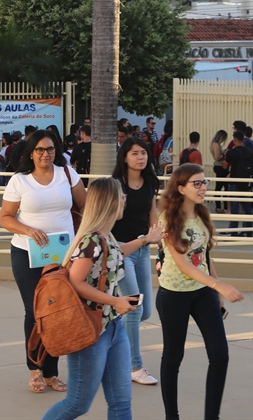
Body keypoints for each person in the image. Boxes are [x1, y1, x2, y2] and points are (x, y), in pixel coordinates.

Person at [40, 177, 162, 420]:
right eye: (121, 196)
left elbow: (115, 254)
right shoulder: (91, 240)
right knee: (77, 404)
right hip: (90, 331)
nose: (125, 200)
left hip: (113, 328)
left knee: (121, 403)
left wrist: (145, 240)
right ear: (109, 202)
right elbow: (76, 281)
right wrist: (115, 301)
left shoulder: (106, 238)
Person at [0, 129, 87, 394]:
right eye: (39, 150)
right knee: (34, 311)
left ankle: (51, 372)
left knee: (57, 310)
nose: (45, 154)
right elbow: (5, 218)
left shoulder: (67, 174)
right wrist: (28, 230)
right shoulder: (20, 181)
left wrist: (83, 238)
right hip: (27, 253)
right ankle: (34, 368)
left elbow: (85, 207)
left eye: (50, 149)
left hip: (62, 255)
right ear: (31, 153)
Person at [158, 164, 244, 420]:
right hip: (174, 294)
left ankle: (211, 416)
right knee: (173, 357)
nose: (203, 187)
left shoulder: (202, 213)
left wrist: (216, 288)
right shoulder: (168, 219)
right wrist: (219, 286)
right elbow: (184, 265)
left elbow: (205, 256)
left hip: (203, 291)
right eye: (197, 183)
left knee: (220, 355)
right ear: (181, 188)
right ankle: (172, 416)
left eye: (204, 182)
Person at [111, 136, 161, 385]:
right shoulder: (116, 185)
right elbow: (108, 218)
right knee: (134, 308)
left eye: (144, 153)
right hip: (122, 251)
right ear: (125, 157)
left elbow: (152, 213)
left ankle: (109, 340)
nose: (141, 157)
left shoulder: (150, 182)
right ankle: (134, 367)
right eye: (135, 153)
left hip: (143, 249)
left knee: (144, 311)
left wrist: (159, 239)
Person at [223, 130, 253, 237]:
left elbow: (224, 166)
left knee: (235, 209)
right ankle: (249, 231)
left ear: (235, 140)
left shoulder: (232, 152)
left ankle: (234, 231)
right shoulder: (250, 152)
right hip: (246, 183)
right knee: (247, 208)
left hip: (234, 183)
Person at [210, 130, 229, 214]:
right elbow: (217, 157)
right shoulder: (216, 144)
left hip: (219, 166)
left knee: (219, 186)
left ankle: (219, 206)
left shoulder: (214, 144)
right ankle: (222, 207)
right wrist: (225, 153)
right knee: (223, 187)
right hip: (220, 166)